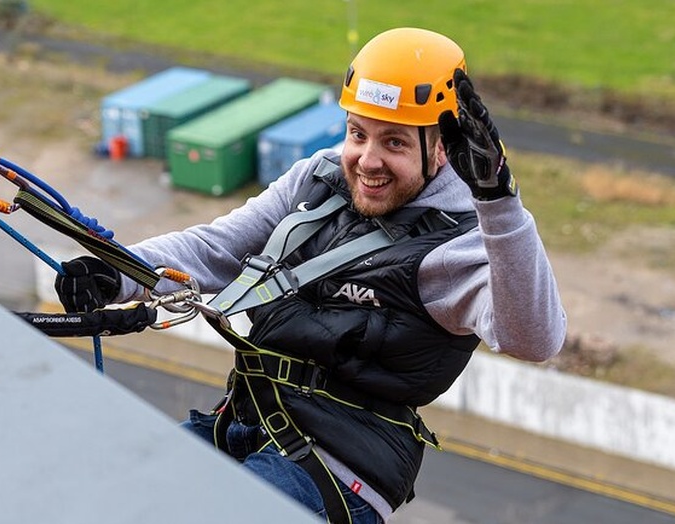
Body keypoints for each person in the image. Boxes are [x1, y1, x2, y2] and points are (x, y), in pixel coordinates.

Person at [55, 27, 566, 524]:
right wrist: (116, 272)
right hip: (248, 421)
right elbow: (219, 248)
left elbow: (535, 338)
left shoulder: (460, 244)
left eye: (395, 143)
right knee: (116, 494)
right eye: (357, 133)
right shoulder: (318, 179)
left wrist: (499, 203)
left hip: (339, 470)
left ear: (441, 148)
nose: (368, 160)